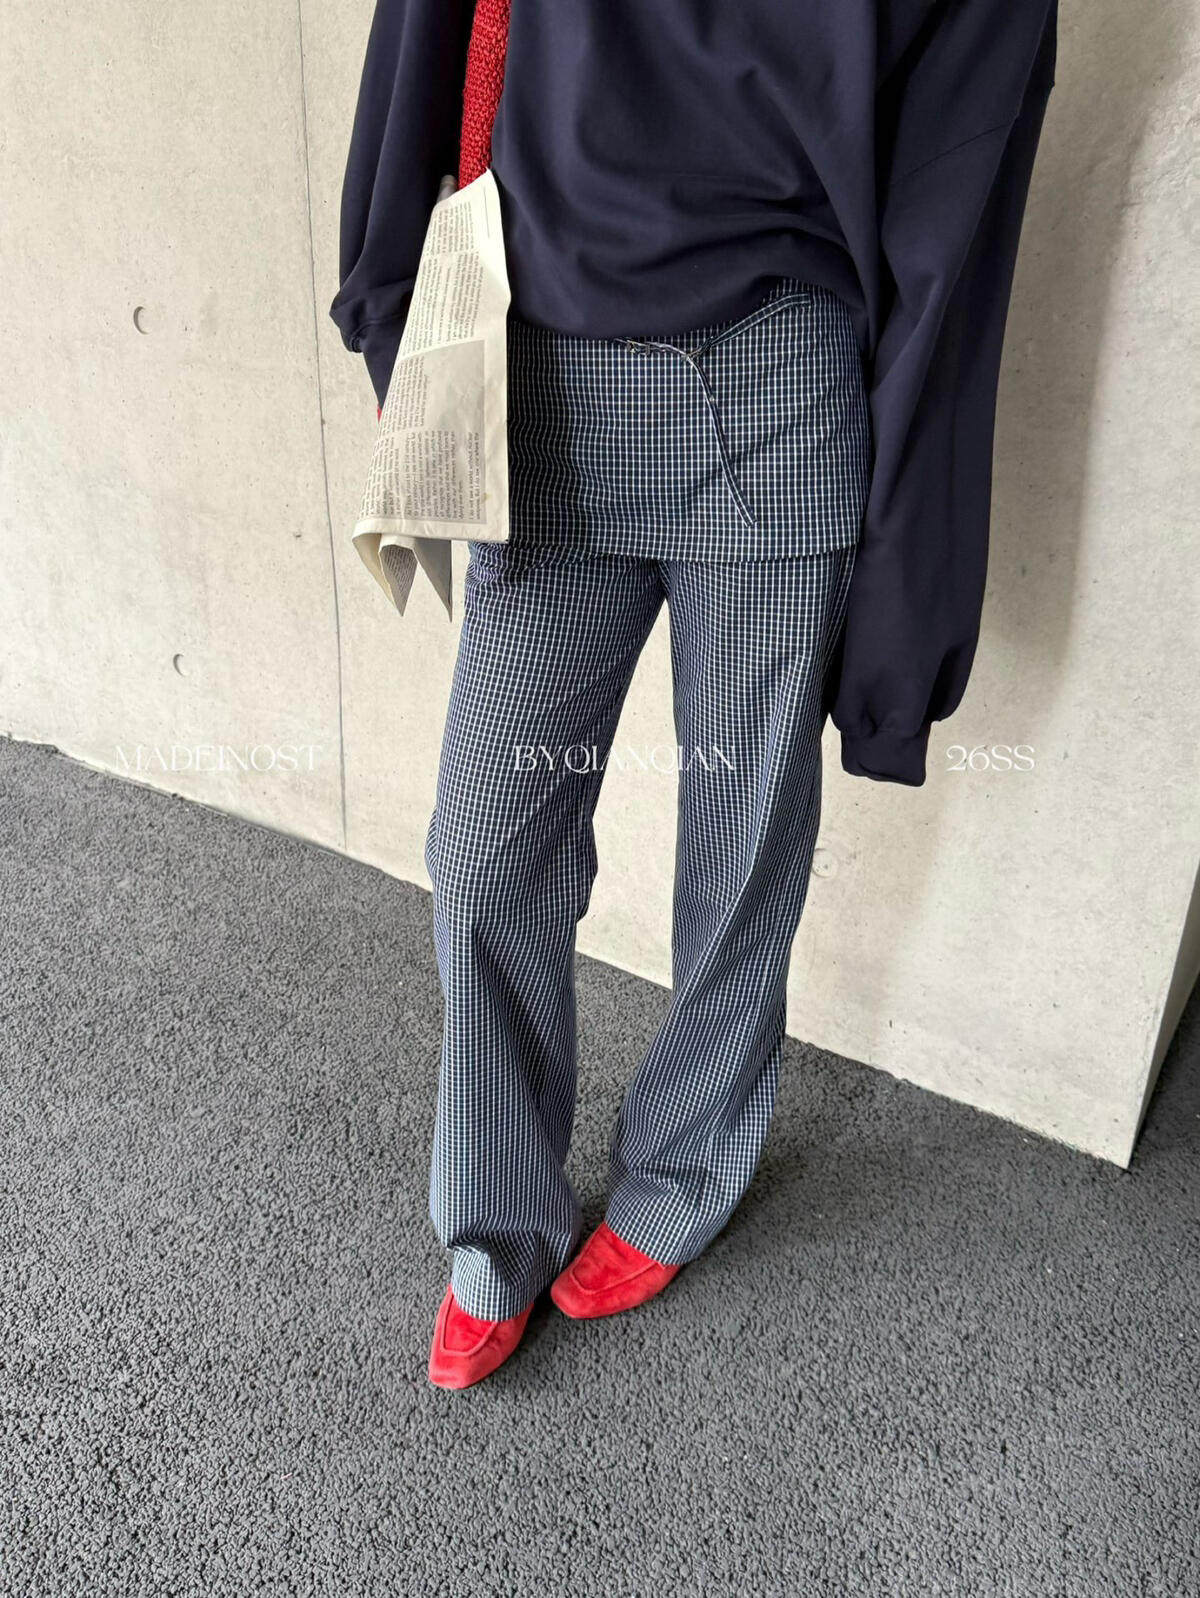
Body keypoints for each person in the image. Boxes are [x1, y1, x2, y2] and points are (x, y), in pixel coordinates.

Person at [330, 0, 1058, 1389]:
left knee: (743, 844)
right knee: (484, 850)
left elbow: (955, 187)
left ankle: (681, 1173)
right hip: (547, 373)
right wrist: (390, 295)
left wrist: (912, 548)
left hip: (780, 383)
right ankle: (497, 1220)